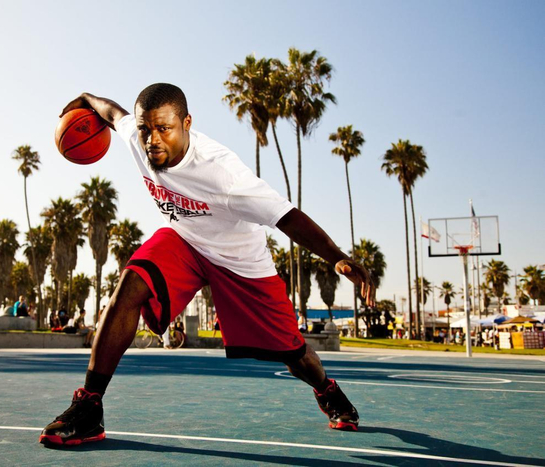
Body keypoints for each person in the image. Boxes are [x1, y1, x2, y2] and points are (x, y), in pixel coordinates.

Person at [39, 84, 375, 446]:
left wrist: (337, 256)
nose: (152, 140)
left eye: (164, 129)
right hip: (185, 241)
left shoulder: (223, 173)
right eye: (145, 129)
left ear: (186, 123)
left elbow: (287, 217)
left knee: (292, 354)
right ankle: (89, 406)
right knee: (130, 284)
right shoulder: (138, 138)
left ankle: (327, 389)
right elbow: (111, 112)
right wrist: (86, 99)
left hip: (239, 262)